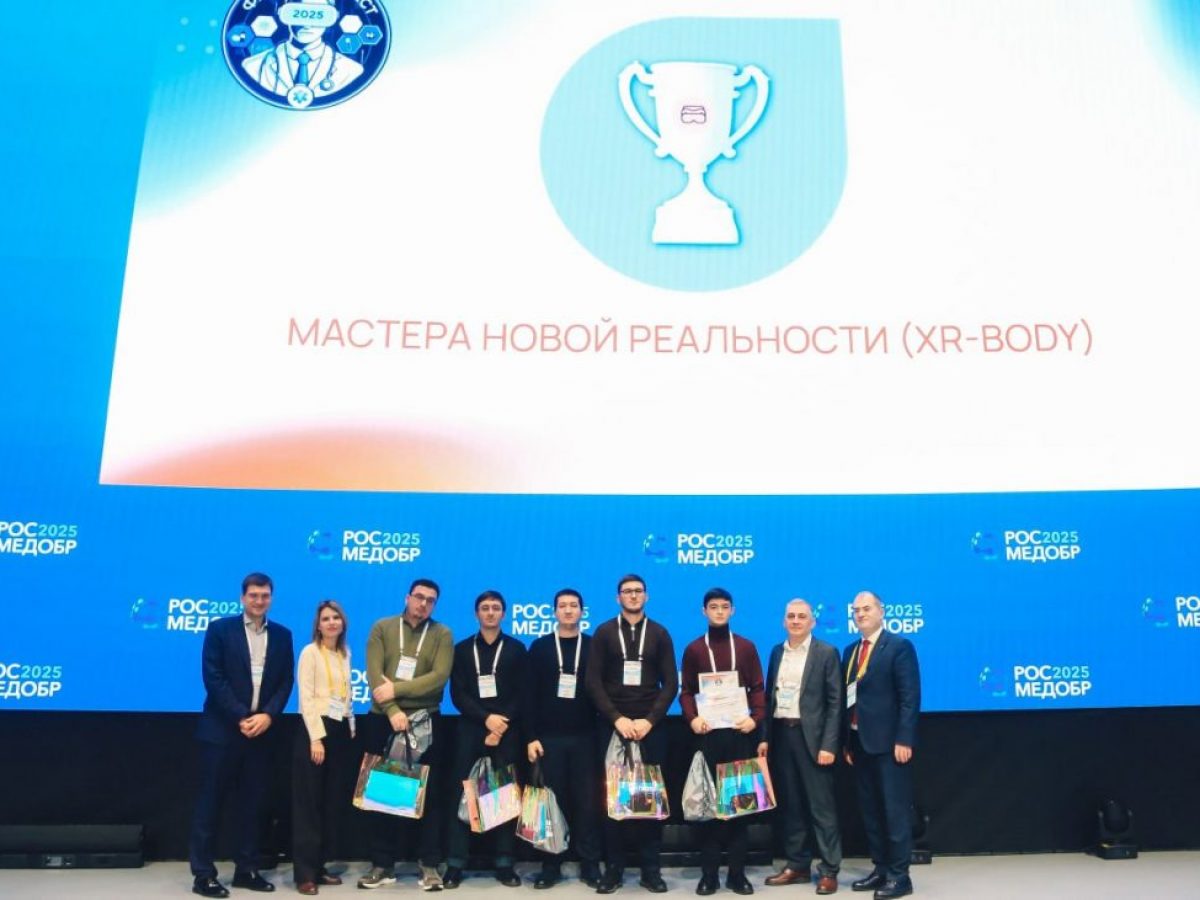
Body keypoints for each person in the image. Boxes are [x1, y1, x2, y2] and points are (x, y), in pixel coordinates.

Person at [190, 573, 295, 898]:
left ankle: (246, 870)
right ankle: (203, 875)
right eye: (253, 595)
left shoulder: (282, 635)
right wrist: (242, 716)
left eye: (265, 596)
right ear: (242, 598)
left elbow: (285, 682)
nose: (259, 601)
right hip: (222, 732)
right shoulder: (220, 630)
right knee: (210, 804)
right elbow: (213, 677)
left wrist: (268, 715)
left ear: (271, 598)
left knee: (253, 805)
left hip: (261, 733)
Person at [358, 579, 454, 891]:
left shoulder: (442, 634)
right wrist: (392, 710)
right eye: (419, 597)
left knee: (428, 795)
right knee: (381, 795)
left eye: (430, 600)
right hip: (383, 720)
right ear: (407, 597)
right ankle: (382, 864)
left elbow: (438, 678)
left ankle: (429, 864)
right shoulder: (382, 628)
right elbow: (375, 676)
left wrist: (396, 689)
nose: (423, 604)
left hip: (425, 720)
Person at [585, 574, 678, 895]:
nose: (633, 596)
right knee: (612, 801)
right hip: (613, 727)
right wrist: (617, 718)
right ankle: (614, 869)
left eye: (638, 591)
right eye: (627, 591)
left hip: (650, 729)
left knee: (650, 801)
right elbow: (593, 682)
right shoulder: (604, 632)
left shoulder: (660, 633)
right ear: (618, 598)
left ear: (646, 596)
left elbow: (671, 684)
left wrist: (650, 721)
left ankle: (651, 870)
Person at [680, 588, 766, 896]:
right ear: (704, 611)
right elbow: (686, 691)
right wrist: (692, 718)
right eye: (713, 607)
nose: (719, 611)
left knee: (739, 808)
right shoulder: (694, 649)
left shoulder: (745, 647)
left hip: (739, 736)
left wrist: (755, 718)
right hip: (707, 737)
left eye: (724, 606)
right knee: (709, 810)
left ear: (733, 611)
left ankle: (737, 874)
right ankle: (709, 875)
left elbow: (758, 687)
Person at [758, 600, 843, 895]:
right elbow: (769, 698)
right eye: (791, 616)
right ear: (784, 621)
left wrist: (829, 744)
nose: (796, 621)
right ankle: (797, 865)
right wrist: (765, 737)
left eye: (802, 616)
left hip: (815, 741)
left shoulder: (826, 652)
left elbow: (836, 702)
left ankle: (829, 870)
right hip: (783, 736)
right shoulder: (776, 652)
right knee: (792, 806)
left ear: (812, 622)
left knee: (822, 809)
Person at [445, 590, 528, 888]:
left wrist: (500, 724)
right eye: (484, 608)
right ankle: (455, 863)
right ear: (476, 613)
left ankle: (504, 863)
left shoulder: (517, 649)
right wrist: (486, 720)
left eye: (495, 608)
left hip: (507, 731)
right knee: (464, 795)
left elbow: (523, 693)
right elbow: (458, 694)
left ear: (503, 613)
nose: (490, 612)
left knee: (504, 795)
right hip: (471, 730)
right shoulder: (462, 649)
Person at [841, 592, 921, 900]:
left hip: (890, 745)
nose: (860, 614)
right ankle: (881, 868)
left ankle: (900, 876)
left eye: (866, 608)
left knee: (894, 811)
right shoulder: (851, 651)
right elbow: (850, 699)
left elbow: (909, 697)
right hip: (859, 743)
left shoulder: (899, 646)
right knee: (871, 811)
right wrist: (848, 742)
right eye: (856, 610)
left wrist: (904, 738)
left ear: (881, 611)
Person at [525, 589, 603, 889]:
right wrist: (531, 736)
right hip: (549, 739)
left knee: (587, 804)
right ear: (554, 611)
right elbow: (528, 695)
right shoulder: (540, 647)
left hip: (586, 738)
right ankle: (550, 865)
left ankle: (589, 864)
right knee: (549, 804)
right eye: (562, 606)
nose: (568, 610)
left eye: (573, 605)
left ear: (582, 611)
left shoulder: (594, 646)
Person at [292, 600, 355, 895]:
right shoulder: (310, 652)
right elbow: (306, 698)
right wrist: (315, 738)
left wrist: (351, 724)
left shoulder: (344, 653)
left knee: (329, 803)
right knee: (309, 805)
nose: (331, 622)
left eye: (336, 618)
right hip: (314, 731)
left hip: (339, 729)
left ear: (343, 623)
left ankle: (318, 867)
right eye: (326, 619)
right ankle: (304, 874)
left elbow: (345, 695)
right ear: (318, 625)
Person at [241, 0, 364, 101]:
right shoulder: (253, 66)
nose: (307, 25)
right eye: (298, 14)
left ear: (334, 17)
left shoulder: (352, 71)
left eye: (318, 15)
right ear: (282, 13)